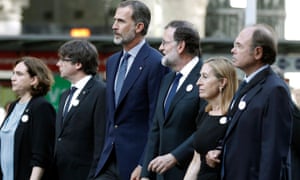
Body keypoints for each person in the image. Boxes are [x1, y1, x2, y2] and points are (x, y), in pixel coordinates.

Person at [92, 1, 169, 180]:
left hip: (135, 162)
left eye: (121, 21)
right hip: (108, 160)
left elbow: (155, 119)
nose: (114, 26)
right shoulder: (112, 62)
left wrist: (144, 163)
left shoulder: (155, 62)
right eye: (114, 20)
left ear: (139, 27)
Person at [206, 24, 293, 180]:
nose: (233, 50)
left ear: (257, 52)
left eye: (239, 46)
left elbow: (273, 153)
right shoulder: (246, 85)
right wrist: (220, 149)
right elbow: (239, 132)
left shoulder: (274, 90)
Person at [140, 20, 205, 180]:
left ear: (181, 46)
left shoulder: (206, 78)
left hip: (189, 172)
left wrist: (175, 156)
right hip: (161, 175)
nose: (161, 48)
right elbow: (156, 129)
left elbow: (205, 129)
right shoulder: (167, 79)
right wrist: (146, 175)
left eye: (165, 43)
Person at [54, 39, 106, 180]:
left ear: (78, 64)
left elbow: (100, 139)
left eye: (63, 60)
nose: (58, 64)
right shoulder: (65, 95)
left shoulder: (100, 92)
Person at [0, 56, 55, 180]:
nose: (13, 78)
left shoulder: (41, 107)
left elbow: (41, 155)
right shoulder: (13, 106)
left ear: (34, 80)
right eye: (13, 73)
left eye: (19, 74)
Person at [184, 57, 238, 180]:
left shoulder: (235, 116)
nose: (198, 82)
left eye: (205, 76)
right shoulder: (205, 113)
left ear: (222, 82)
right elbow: (196, 161)